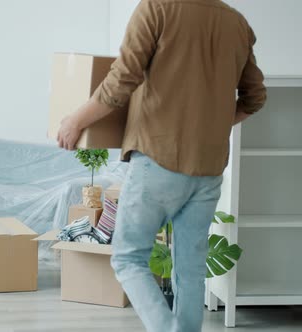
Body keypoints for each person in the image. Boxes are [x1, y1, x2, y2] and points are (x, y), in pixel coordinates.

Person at [57, 0, 266, 331]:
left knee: (128, 258)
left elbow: (121, 80)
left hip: (157, 160)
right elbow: (255, 98)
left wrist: (74, 121)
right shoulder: (237, 23)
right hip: (209, 169)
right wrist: (212, 127)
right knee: (191, 270)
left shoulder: (157, 7)